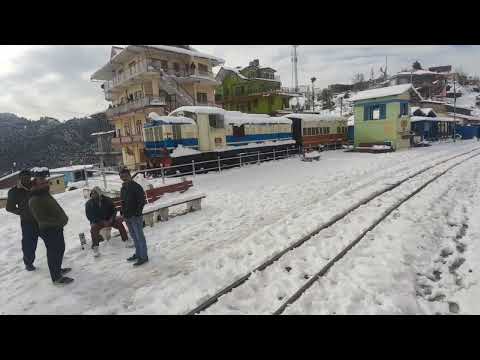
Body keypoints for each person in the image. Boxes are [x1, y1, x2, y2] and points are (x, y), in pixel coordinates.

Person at [28, 176, 73, 286]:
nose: (46, 184)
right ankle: (56, 278)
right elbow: (42, 219)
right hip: (49, 229)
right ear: (35, 186)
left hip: (56, 227)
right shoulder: (35, 199)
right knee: (54, 253)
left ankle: (58, 269)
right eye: (42, 183)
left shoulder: (44, 194)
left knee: (60, 249)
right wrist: (60, 222)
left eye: (46, 182)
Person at [6, 169, 39, 271]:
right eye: (24, 178)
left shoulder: (36, 186)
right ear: (19, 178)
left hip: (42, 219)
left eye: (28, 177)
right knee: (29, 244)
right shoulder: (14, 191)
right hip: (27, 222)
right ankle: (28, 263)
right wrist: (22, 212)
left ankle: (55, 260)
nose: (26, 179)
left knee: (51, 240)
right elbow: (9, 207)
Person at [85, 186, 132, 257]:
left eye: (95, 193)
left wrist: (111, 219)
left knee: (119, 223)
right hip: (98, 222)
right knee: (93, 229)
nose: (93, 195)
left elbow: (114, 210)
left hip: (109, 219)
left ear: (99, 193)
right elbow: (90, 216)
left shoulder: (107, 200)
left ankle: (126, 240)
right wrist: (101, 222)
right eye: (92, 193)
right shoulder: (89, 203)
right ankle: (95, 248)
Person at [119, 168, 148, 266]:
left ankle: (144, 256)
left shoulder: (136, 186)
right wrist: (122, 212)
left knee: (140, 237)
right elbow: (123, 201)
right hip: (127, 217)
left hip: (135, 216)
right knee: (134, 237)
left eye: (125, 176)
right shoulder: (123, 187)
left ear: (129, 175)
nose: (124, 178)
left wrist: (137, 212)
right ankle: (138, 253)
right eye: (122, 176)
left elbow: (142, 201)